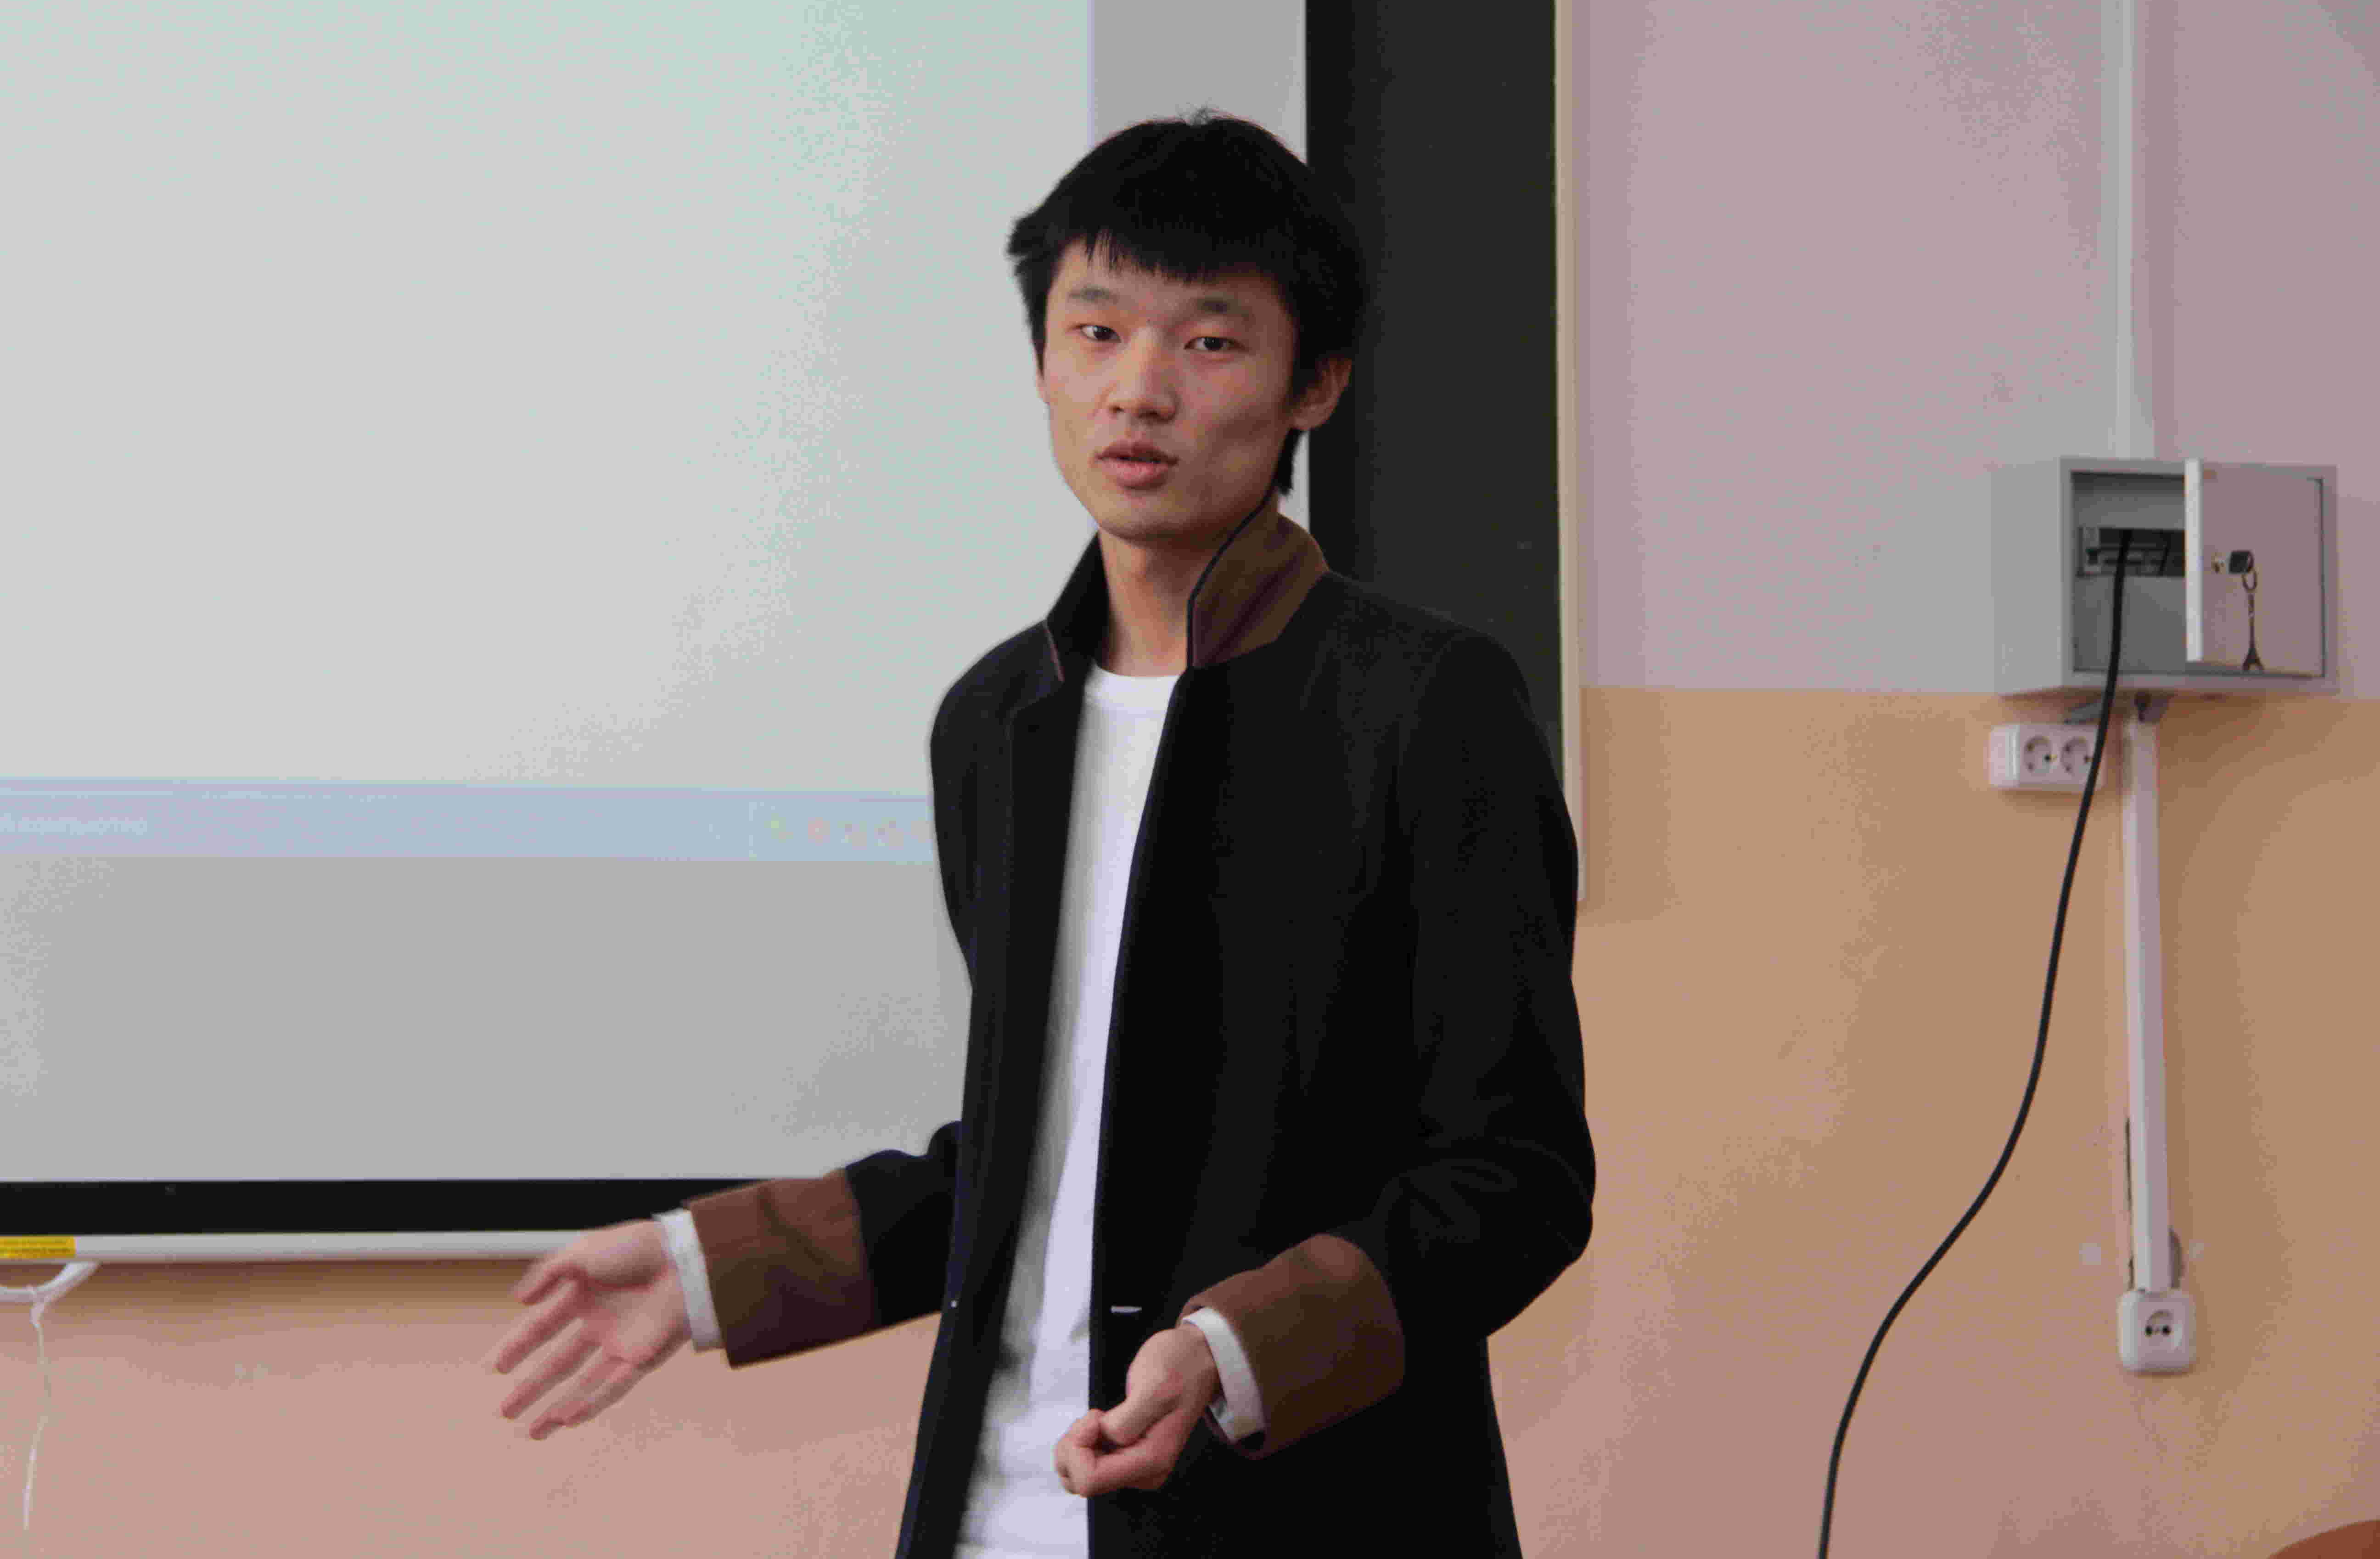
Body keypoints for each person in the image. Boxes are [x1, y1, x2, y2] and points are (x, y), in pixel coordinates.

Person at [485, 109, 1595, 1558]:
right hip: (994, 1512)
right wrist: (711, 1271)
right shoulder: (997, 721)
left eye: (1210, 342)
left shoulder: (1424, 704)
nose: (1140, 389)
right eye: (1096, 333)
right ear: (1042, 365)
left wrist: (1237, 1350)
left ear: (1314, 384)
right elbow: (1043, 1161)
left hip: (1303, 1516)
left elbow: (1515, 1176)